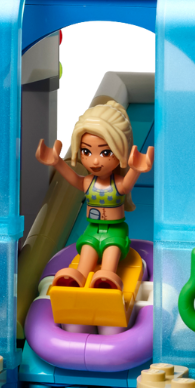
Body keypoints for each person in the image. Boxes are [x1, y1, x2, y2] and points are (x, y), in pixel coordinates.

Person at [35, 97, 153, 291]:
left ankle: (107, 277)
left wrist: (136, 169)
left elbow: (127, 185)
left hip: (115, 231)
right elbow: (74, 178)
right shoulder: (88, 182)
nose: (95, 161)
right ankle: (79, 276)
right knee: (87, 249)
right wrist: (57, 162)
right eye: (86, 151)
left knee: (111, 251)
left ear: (120, 151)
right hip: (92, 230)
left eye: (105, 153)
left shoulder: (118, 184)